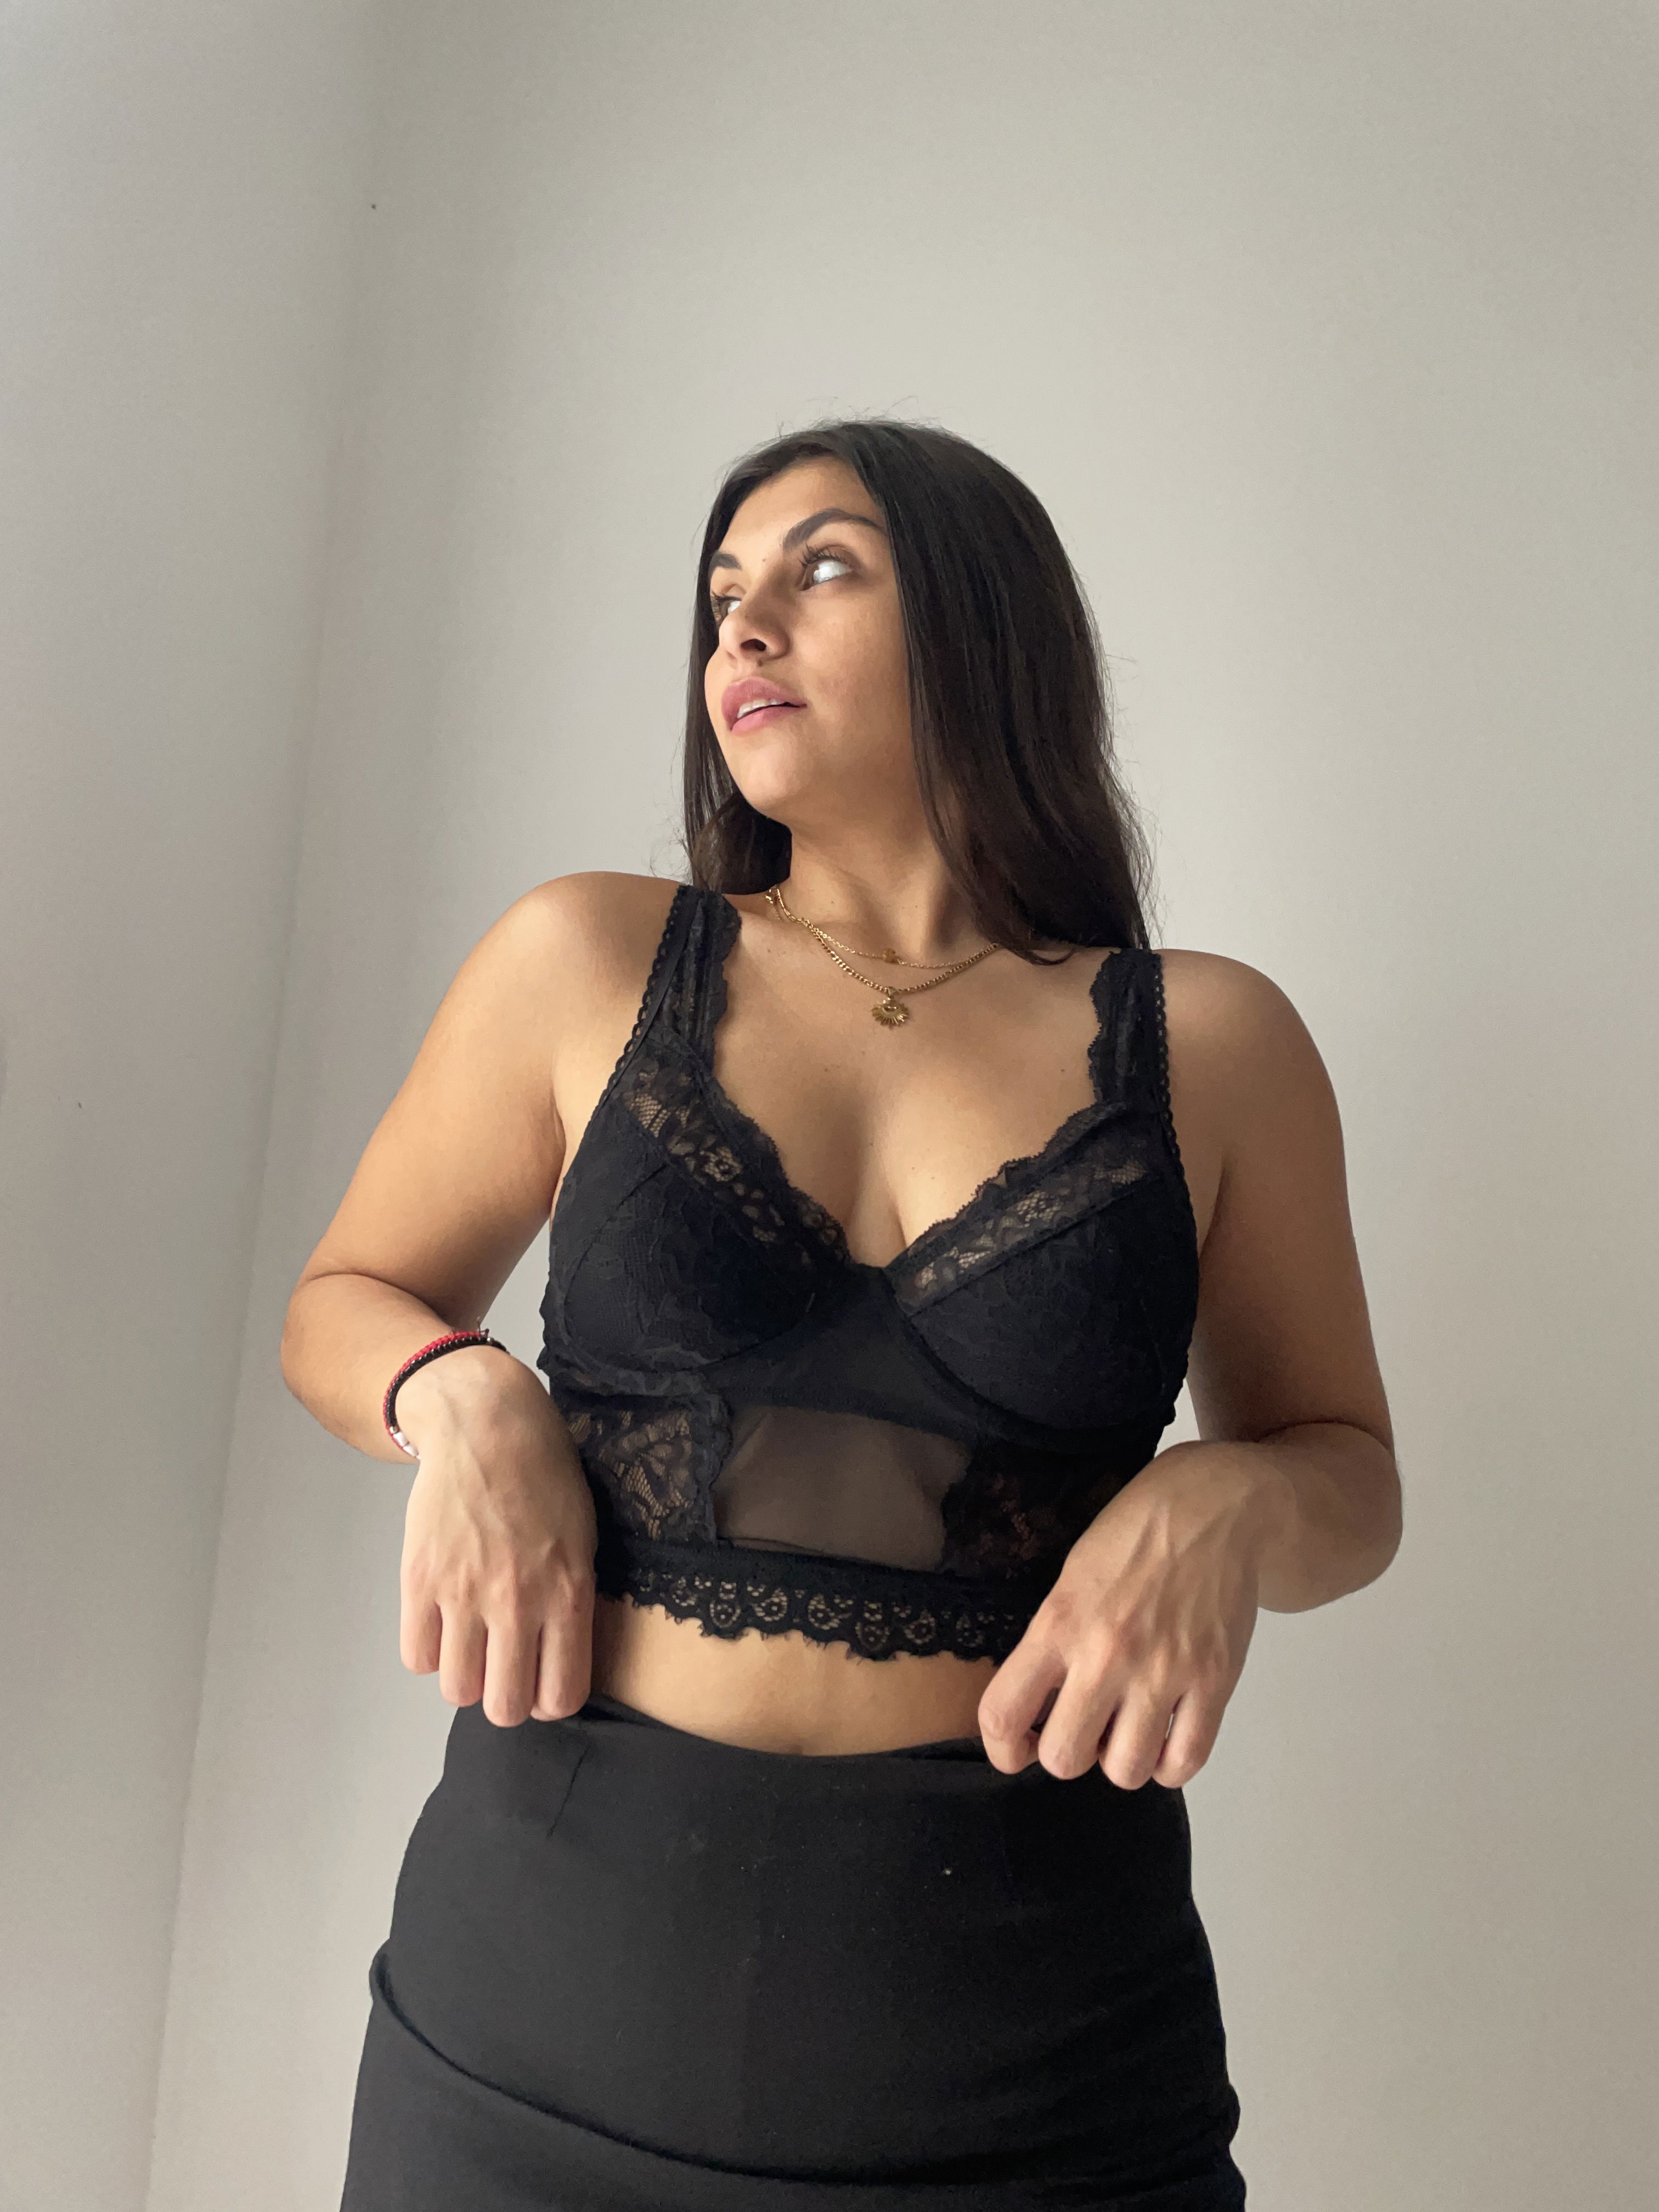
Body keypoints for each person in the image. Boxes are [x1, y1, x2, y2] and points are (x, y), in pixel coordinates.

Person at [283, 419, 1401, 2210]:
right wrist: (458, 1392)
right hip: (530, 2035)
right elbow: (345, 1301)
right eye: (723, 592)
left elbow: (1348, 1475)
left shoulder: (1212, 1045)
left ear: (980, 623)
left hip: (1036, 2073)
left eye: (821, 568)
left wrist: (1230, 1494)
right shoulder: (587, 958)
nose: (744, 626)